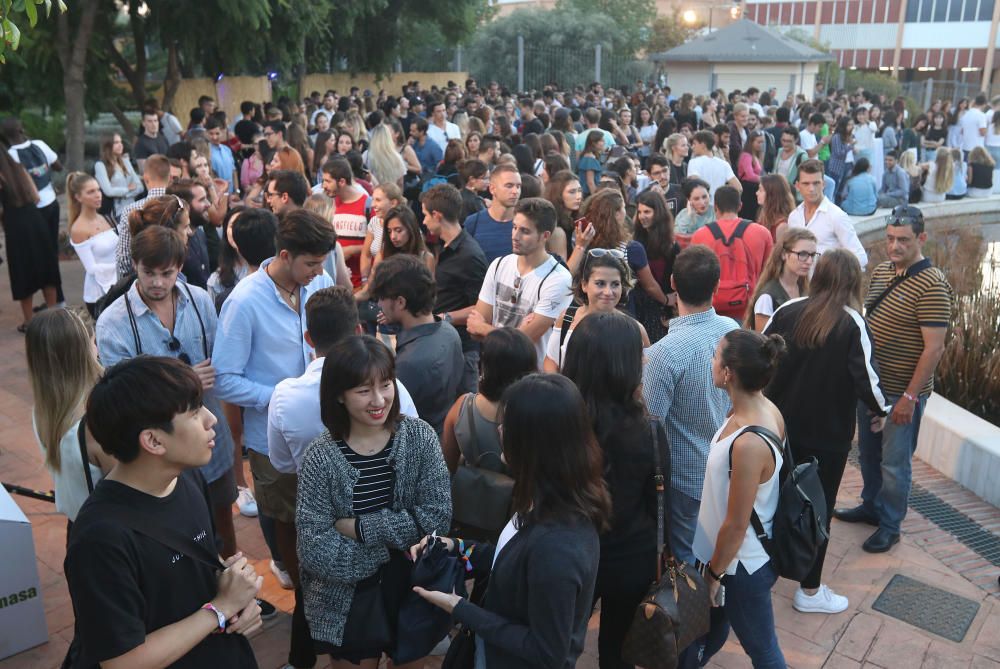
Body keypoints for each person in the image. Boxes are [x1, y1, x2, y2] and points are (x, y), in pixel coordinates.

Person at [64, 357, 262, 668]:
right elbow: (122, 661)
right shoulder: (100, 539)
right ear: (153, 441)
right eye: (195, 413)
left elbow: (197, 565)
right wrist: (220, 609)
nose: (212, 420)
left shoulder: (186, 476)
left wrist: (238, 597)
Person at [410, 373, 611, 669]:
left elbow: (547, 652)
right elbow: (512, 564)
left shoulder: (558, 545)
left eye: (509, 424)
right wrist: (455, 546)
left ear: (532, 443)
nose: (500, 429)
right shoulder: (548, 499)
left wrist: (459, 606)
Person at [296, 335, 450, 668]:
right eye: (363, 390)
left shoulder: (419, 437)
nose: (378, 399)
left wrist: (360, 528)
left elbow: (436, 518)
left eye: (386, 384)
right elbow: (314, 548)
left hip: (414, 586)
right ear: (339, 394)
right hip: (348, 595)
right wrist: (387, 550)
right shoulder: (320, 458)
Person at [96, 224, 242, 562]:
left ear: (179, 267)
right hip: (160, 453)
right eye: (149, 273)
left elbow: (219, 361)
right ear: (135, 265)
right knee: (176, 535)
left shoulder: (200, 300)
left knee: (222, 520)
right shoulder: (113, 323)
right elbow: (123, 397)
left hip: (210, 437)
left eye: (167, 273)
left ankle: (234, 587)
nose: (158, 282)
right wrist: (186, 380)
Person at [214, 209, 335, 598]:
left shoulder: (321, 284)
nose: (319, 271)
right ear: (284, 255)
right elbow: (224, 379)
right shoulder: (244, 302)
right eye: (311, 263)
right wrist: (281, 398)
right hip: (270, 436)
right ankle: (295, 581)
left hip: (323, 429)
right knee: (282, 515)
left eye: (322, 262)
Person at [764, 249, 890, 614]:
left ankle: (763, 570)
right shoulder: (852, 323)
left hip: (777, 428)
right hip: (827, 439)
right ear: (853, 282)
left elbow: (760, 355)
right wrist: (881, 411)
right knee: (817, 511)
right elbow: (870, 380)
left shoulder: (787, 310)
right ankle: (809, 589)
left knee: (771, 501)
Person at [834, 206, 953, 554]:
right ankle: (871, 506)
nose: (894, 246)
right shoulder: (884, 271)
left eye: (903, 240)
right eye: (889, 239)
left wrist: (909, 398)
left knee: (895, 463)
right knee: (869, 455)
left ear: (921, 238)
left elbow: (934, 349)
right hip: (872, 387)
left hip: (902, 392)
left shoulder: (932, 284)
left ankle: (890, 525)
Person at [562, 311, 666, 669]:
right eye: (639, 352)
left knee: (559, 643)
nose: (646, 357)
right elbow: (657, 501)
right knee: (617, 651)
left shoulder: (559, 425)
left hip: (569, 554)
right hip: (630, 558)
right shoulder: (648, 430)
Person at [693, 329, 788, 669]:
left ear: (729, 372)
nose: (711, 362)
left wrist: (713, 575)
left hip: (740, 566)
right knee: (705, 634)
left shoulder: (749, 443)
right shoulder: (760, 408)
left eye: (716, 355)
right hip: (732, 560)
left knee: (763, 651)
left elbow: (736, 524)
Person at [642, 245, 738, 564]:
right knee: (719, 552)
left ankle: (699, 611)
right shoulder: (732, 330)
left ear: (672, 282)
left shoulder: (663, 354)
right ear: (716, 285)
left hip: (687, 478)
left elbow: (650, 425)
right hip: (728, 466)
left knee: (686, 560)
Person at [27, 309, 113, 529]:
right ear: (83, 352)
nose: (98, 349)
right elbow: (130, 485)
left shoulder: (43, 411)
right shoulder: (95, 421)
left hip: (78, 524)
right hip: (110, 531)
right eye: (94, 342)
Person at [468, 197, 573, 366]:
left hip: (530, 377)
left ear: (545, 236)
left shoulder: (558, 279)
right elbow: (473, 331)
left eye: (525, 231)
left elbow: (523, 343)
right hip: (492, 368)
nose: (515, 236)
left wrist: (484, 328)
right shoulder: (498, 265)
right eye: (514, 227)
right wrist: (514, 335)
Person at [369, 255, 463, 434]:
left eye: (381, 297)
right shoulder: (449, 332)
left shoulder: (409, 363)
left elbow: (392, 420)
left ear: (401, 302)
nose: (379, 304)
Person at [439, 327, 536, 478]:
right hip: (523, 498)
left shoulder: (463, 406)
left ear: (486, 366)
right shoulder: (539, 412)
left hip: (477, 498)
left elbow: (446, 467)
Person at [422, 184, 489, 395]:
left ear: (437, 215)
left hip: (463, 350)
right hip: (446, 344)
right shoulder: (446, 247)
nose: (423, 221)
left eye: (425, 215)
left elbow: (481, 309)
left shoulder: (470, 255)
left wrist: (443, 317)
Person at [544, 249, 643, 372]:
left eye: (615, 284)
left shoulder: (635, 329)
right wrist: (560, 388)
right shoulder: (567, 319)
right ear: (584, 285)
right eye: (600, 283)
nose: (608, 292)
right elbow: (551, 360)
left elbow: (643, 379)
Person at [2, 117, 65, 307]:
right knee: (51, 254)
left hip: (32, 213)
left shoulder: (9, 155)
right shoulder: (39, 145)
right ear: (22, 129)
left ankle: (50, 300)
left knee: (33, 258)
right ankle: (57, 300)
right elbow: (58, 166)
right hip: (52, 204)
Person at [690, 185, 774, 321]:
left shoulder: (700, 235)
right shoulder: (762, 233)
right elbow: (770, 273)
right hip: (750, 310)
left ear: (715, 207)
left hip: (712, 312)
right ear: (740, 206)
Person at [0, 148, 60, 331]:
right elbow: (35, 196)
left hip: (15, 226)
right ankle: (53, 315)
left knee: (22, 271)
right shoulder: (19, 168)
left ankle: (29, 322)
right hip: (35, 220)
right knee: (46, 267)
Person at [788, 159, 868, 269]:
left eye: (816, 183)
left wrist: (834, 276)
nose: (811, 189)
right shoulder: (794, 217)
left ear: (823, 184)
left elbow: (860, 257)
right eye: (806, 184)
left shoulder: (836, 216)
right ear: (797, 186)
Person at [633, 189, 681, 343]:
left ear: (658, 213)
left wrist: (671, 306)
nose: (642, 216)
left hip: (662, 310)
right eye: (639, 212)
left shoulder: (671, 246)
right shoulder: (635, 243)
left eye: (647, 211)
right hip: (641, 306)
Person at [67, 172, 117, 316]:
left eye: (98, 190)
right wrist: (122, 267)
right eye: (91, 192)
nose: (98, 195)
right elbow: (91, 268)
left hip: (118, 287)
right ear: (78, 197)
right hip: (99, 295)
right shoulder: (78, 229)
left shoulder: (105, 218)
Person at [116, 154, 171, 278]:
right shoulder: (180, 205)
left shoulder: (131, 210)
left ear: (145, 178)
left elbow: (124, 257)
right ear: (170, 177)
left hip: (141, 278)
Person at [321, 157, 371, 286]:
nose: (323, 186)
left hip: (362, 282)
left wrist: (353, 249)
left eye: (327, 181)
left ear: (342, 182)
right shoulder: (329, 204)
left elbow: (380, 243)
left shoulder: (367, 205)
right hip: (336, 281)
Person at [94, 133, 143, 218]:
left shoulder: (126, 161)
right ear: (108, 146)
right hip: (117, 212)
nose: (120, 145)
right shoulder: (100, 165)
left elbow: (140, 187)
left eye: (120, 142)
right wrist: (128, 189)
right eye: (116, 142)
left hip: (133, 208)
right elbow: (108, 191)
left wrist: (125, 194)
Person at [375, 205, 435, 271]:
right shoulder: (383, 254)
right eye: (389, 231)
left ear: (411, 229)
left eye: (398, 230)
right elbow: (373, 279)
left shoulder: (426, 258)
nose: (393, 236)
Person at [687, 130, 741, 202]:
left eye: (694, 144)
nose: (692, 147)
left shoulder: (693, 162)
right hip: (719, 208)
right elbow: (739, 188)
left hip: (701, 208)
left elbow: (692, 187)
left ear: (703, 145)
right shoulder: (724, 164)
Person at [756, 173, 796, 242]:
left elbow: (779, 251)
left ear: (772, 195)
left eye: (761, 190)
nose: (756, 193)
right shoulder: (764, 213)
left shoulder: (782, 225)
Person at [737, 130, 765, 221]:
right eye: (758, 142)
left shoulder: (755, 155)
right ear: (751, 142)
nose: (760, 144)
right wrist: (764, 179)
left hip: (754, 189)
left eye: (762, 142)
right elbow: (750, 175)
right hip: (748, 189)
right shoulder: (746, 156)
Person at [577, 130, 605, 196]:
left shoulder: (587, 156)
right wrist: (595, 198)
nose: (604, 143)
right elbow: (590, 182)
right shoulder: (590, 159)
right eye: (601, 141)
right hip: (589, 194)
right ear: (593, 143)